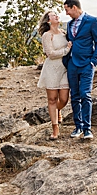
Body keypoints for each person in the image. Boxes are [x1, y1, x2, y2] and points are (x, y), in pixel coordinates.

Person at [62, 0, 97, 140]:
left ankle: (87, 129)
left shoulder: (92, 21)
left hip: (87, 64)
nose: (66, 13)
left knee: (85, 95)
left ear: (74, 7)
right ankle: (78, 126)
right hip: (72, 64)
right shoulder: (69, 24)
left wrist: (93, 61)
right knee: (74, 96)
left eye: (67, 10)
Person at [37, 9, 72, 139]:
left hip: (64, 69)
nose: (57, 16)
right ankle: (55, 128)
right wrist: (66, 50)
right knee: (52, 100)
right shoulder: (47, 35)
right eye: (53, 15)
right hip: (51, 69)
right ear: (48, 20)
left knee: (63, 99)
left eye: (57, 14)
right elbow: (50, 54)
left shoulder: (63, 33)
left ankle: (58, 111)